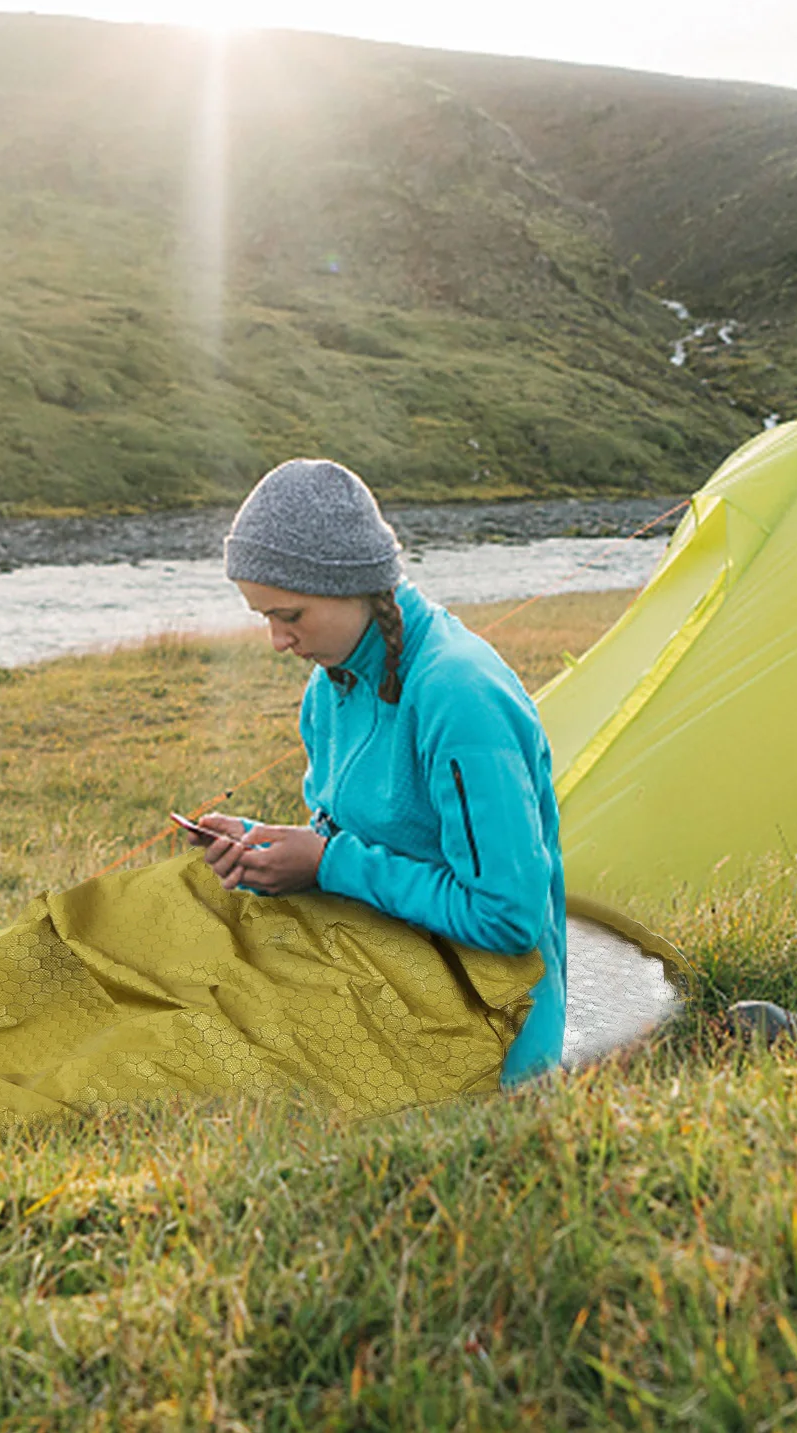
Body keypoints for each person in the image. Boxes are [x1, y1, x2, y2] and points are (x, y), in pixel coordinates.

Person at [188, 458, 567, 1085]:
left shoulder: (459, 694)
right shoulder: (331, 684)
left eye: (290, 616)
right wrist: (272, 851)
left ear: (352, 586)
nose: (278, 641)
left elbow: (508, 919)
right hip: (382, 961)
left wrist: (327, 863)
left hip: (490, 1020)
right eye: (265, 619)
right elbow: (348, 841)